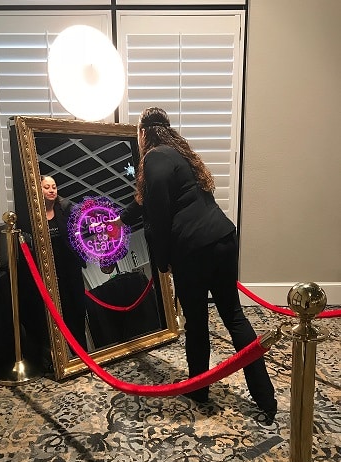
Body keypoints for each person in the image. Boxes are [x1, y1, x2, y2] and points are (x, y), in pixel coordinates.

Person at [114, 107, 277, 422]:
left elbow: (158, 218)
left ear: (144, 133)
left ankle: (199, 389)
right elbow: (150, 202)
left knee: (197, 322)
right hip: (223, 237)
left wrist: (161, 261)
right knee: (235, 317)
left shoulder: (153, 158)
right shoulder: (178, 155)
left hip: (194, 250)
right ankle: (265, 399)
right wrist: (121, 219)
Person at [41, 175, 88, 352]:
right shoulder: (34, 215)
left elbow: (79, 235)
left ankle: (82, 350)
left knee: (78, 308)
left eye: (54, 186)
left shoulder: (66, 208)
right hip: (50, 273)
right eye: (47, 187)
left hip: (71, 269)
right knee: (62, 314)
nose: (52, 190)